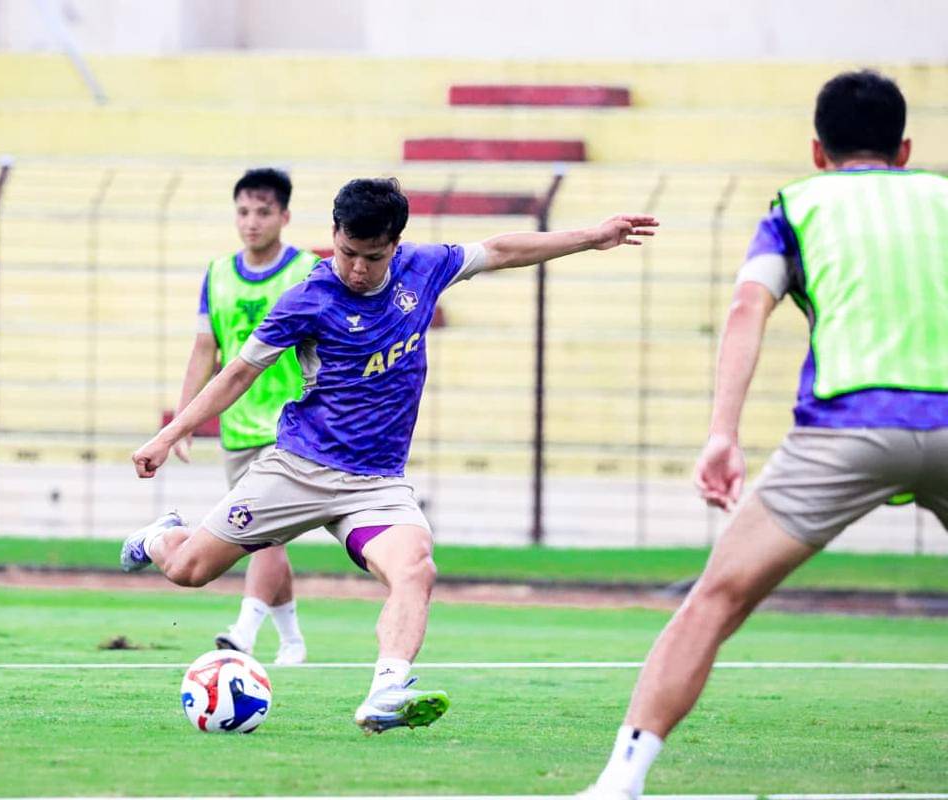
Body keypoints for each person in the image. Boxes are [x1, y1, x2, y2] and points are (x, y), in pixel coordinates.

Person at [122, 177, 656, 732]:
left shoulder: (424, 269)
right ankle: (158, 536)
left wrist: (591, 237)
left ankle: (387, 691)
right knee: (188, 570)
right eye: (347, 252)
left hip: (376, 483)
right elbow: (238, 372)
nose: (356, 269)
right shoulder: (308, 297)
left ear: (395, 245)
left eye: (371, 258)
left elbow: (500, 250)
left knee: (415, 568)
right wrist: (168, 433)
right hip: (299, 468)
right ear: (334, 235)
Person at [579, 70, 947, 800]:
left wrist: (723, 433)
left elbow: (750, 307)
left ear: (818, 150)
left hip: (848, 427)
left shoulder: (797, 203)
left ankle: (620, 782)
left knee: (715, 600)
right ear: (905, 148)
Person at [170, 168, 319, 664]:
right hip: (237, 427)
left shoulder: (305, 272)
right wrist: (184, 424)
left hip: (291, 427)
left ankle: (244, 632)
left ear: (284, 216)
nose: (251, 222)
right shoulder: (218, 274)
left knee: (260, 528)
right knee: (262, 536)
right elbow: (203, 351)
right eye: (243, 212)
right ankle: (293, 641)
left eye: (263, 212)